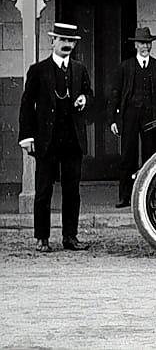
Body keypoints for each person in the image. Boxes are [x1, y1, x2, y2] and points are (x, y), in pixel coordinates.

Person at [17, 22, 93, 252]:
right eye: (62, 40)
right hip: (47, 140)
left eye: (71, 41)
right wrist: (27, 137)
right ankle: (42, 238)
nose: (67, 45)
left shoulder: (79, 69)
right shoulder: (38, 70)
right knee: (43, 191)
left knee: (72, 191)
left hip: (72, 139)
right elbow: (27, 105)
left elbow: (89, 93)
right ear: (52, 42)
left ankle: (70, 237)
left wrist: (84, 99)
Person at [108, 26, 156, 208]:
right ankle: (125, 197)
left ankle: (150, 196)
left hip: (152, 117)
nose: (145, 47)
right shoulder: (125, 66)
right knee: (127, 156)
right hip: (130, 116)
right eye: (141, 43)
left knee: (151, 155)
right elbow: (115, 94)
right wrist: (113, 119)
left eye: (147, 43)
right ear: (135, 45)